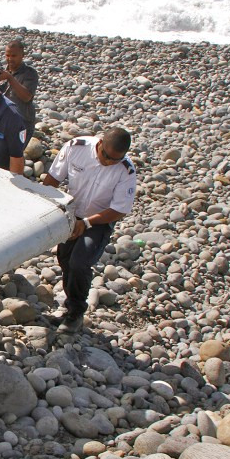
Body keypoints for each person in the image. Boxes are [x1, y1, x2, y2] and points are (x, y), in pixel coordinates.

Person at [43, 127, 137, 333]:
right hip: (71, 213)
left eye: (115, 160)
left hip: (99, 220)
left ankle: (76, 312)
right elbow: (53, 179)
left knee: (80, 261)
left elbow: (119, 209)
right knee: (65, 259)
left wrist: (86, 223)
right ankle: (68, 306)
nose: (109, 162)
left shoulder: (126, 170)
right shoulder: (77, 148)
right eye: (106, 156)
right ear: (100, 143)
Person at [0, 39, 39, 138]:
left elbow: (26, 97)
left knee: (15, 153)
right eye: (7, 55)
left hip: (22, 124)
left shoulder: (30, 73)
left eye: (14, 56)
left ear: (22, 55)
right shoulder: (1, 71)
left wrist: (10, 78)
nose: (10, 59)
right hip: (2, 122)